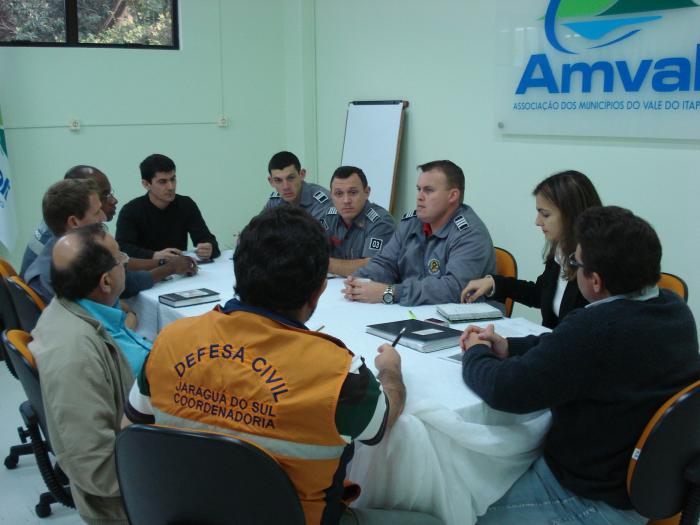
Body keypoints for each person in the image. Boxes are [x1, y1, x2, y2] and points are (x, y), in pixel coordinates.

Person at [123, 207, 442, 525]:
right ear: (319, 290)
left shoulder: (170, 340)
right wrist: (390, 370)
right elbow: (382, 422)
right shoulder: (339, 375)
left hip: (185, 514)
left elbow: (133, 434)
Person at [460, 206, 700, 525]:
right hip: (644, 488)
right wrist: (510, 346)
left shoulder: (596, 329)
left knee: (459, 511)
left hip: (587, 499)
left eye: (576, 262)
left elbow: (505, 390)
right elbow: (567, 348)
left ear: (595, 281)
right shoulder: (674, 310)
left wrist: (476, 353)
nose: (572, 267)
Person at [29, 224, 138, 525]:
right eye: (122, 260)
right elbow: (98, 469)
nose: (125, 264)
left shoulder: (70, 308)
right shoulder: (75, 353)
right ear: (106, 281)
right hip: (130, 499)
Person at [461, 170, 602, 328]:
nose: (537, 221)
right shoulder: (560, 251)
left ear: (571, 216)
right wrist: (495, 283)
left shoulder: (592, 267)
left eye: (546, 215)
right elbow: (539, 294)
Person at [344, 160, 495, 305]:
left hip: (463, 322)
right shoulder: (411, 223)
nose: (419, 197)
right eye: (419, 189)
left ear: (453, 196)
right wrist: (358, 281)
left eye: (428, 190)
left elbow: (454, 289)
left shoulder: (470, 233)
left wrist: (391, 292)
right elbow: (385, 263)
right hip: (413, 312)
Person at [116, 153, 220, 260]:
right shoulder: (130, 210)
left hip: (179, 271)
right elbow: (122, 249)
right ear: (146, 184)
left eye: (173, 179)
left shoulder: (186, 204)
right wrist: (154, 256)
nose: (171, 187)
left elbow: (206, 238)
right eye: (162, 182)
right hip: (146, 272)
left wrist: (209, 248)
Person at [22, 179, 106, 304]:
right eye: (97, 212)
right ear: (74, 222)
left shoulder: (75, 252)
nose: (103, 217)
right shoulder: (55, 278)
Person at [324, 166, 395, 276]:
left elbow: (373, 267)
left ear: (367, 192)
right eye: (339, 194)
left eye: (353, 192)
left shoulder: (381, 222)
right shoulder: (327, 217)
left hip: (371, 288)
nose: (346, 200)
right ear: (331, 196)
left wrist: (323, 263)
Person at [263, 150, 332, 222]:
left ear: (302, 174)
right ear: (271, 181)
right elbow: (258, 230)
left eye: (291, 178)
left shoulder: (321, 204)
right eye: (278, 180)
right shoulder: (274, 201)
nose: (286, 187)